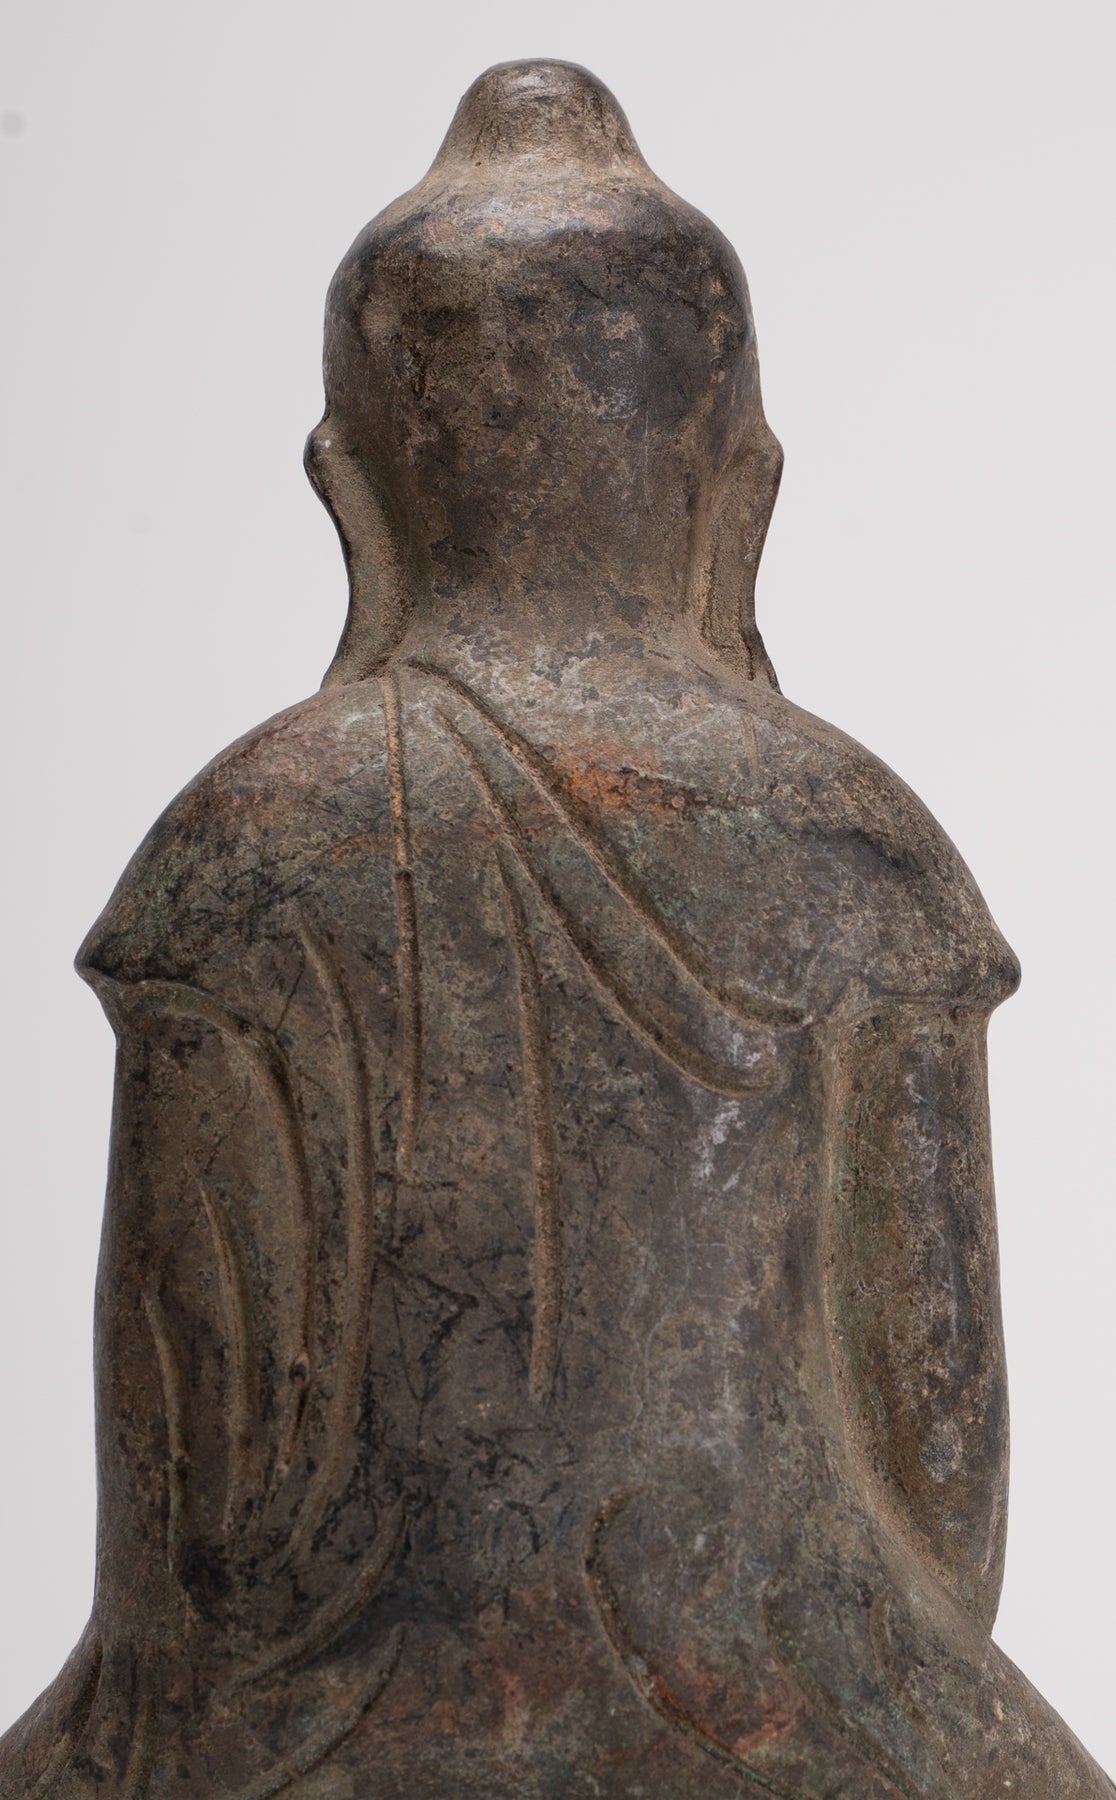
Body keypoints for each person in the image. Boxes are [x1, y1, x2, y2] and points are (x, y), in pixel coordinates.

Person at [2, 58, 1110, 1799]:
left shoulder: (238, 851)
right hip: (784, 1719)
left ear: (352, 494)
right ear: (740, 489)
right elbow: (944, 1479)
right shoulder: (860, 853)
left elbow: (186, 1513)